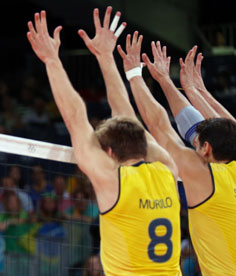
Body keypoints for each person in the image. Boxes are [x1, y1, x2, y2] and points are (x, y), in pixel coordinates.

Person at [26, 7, 181, 275]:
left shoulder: (112, 181)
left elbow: (75, 117)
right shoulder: (167, 169)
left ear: (109, 152)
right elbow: (127, 118)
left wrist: (52, 59)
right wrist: (105, 57)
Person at [119, 33, 236, 274]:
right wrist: (191, 89)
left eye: (196, 144)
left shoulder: (207, 177)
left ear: (206, 149)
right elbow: (221, 125)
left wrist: (134, 75)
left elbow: (162, 129)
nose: (193, 143)